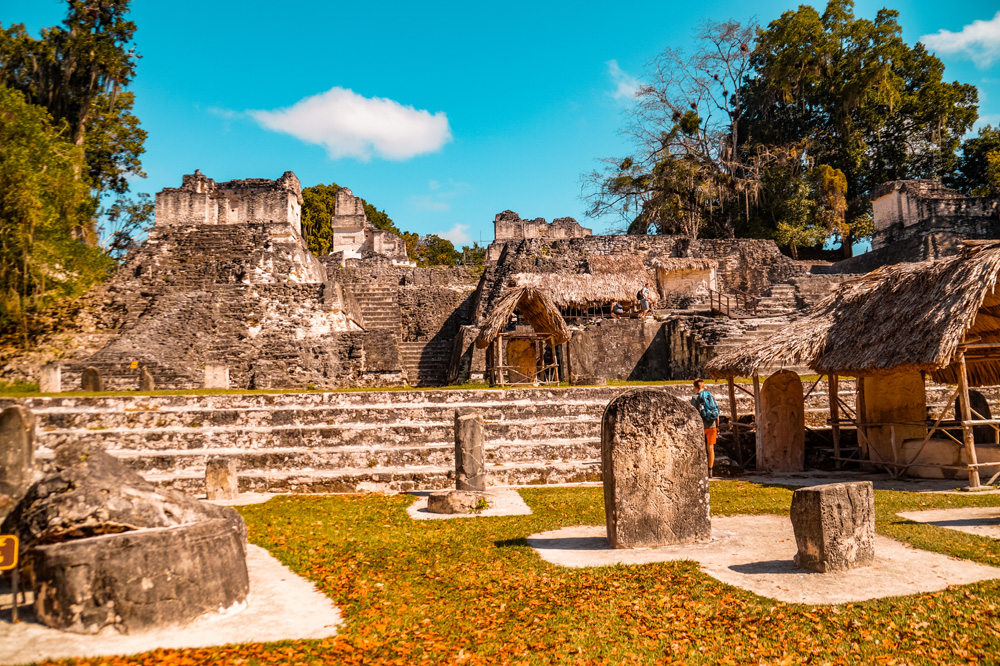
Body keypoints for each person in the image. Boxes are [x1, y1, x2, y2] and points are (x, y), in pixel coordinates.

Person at [691, 379, 720, 476]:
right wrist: (718, 426)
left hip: (701, 427)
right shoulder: (710, 396)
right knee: (710, 448)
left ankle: (700, 471)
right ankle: (710, 470)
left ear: (695, 387)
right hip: (712, 425)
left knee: (700, 449)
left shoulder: (694, 398)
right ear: (703, 386)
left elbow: (693, 414)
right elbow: (717, 411)